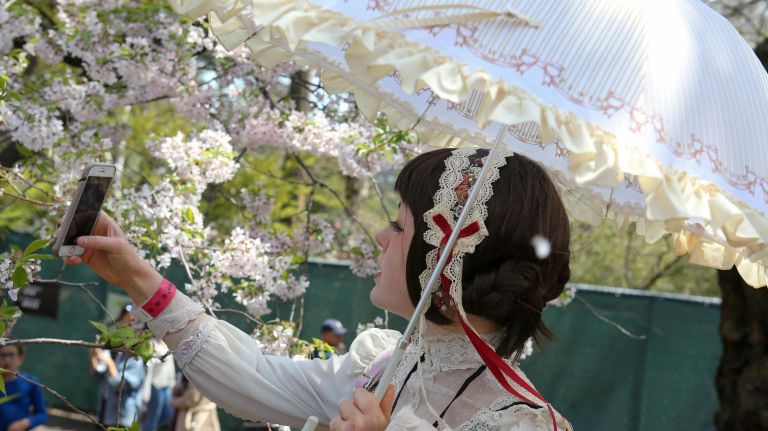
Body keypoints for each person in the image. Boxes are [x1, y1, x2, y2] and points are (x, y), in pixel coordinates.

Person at [64, 148, 574, 430]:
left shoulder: (518, 423)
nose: (380, 235)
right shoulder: (386, 367)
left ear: (446, 256)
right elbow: (256, 378)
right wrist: (134, 276)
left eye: (399, 227)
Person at [0, 344, 48, 431]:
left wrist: (26, 422)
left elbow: (42, 415)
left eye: (11, 355)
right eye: (2, 355)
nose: (6, 360)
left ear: (21, 358)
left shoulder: (31, 381)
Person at [140, 339, 176, 431]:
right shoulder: (150, 343)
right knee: (152, 420)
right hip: (155, 387)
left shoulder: (167, 341)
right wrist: (146, 394)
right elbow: (149, 370)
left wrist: (173, 384)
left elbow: (170, 366)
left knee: (166, 419)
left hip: (167, 387)